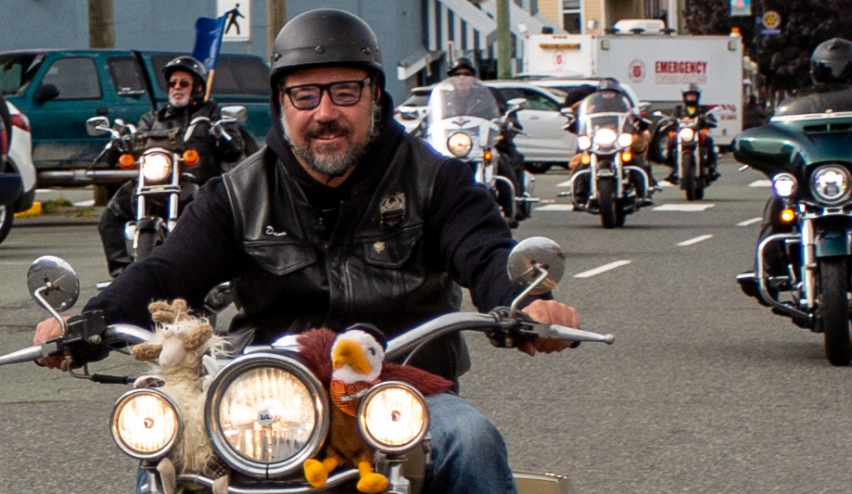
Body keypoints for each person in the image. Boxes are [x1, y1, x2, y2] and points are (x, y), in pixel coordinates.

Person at [33, 9, 579, 494]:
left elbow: (485, 252)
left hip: (402, 387)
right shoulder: (237, 193)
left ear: (375, 98)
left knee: (472, 440)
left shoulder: (437, 181)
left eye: (344, 92)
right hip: (263, 392)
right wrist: (88, 324)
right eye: (305, 95)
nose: (324, 113)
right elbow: (165, 270)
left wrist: (523, 302)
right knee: (164, 447)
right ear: (280, 103)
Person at [739, 38, 852, 303]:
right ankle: (765, 272)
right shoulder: (800, 105)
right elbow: (777, 132)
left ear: (814, 68)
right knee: (780, 204)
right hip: (811, 188)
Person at [97, 56, 244, 278]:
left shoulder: (211, 114)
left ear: (198, 87)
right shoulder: (154, 117)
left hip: (198, 181)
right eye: (173, 83)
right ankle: (122, 275)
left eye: (183, 83)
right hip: (154, 180)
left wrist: (221, 134)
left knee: (228, 217)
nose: (177, 88)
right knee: (110, 216)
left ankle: (224, 272)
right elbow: (137, 140)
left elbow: (234, 151)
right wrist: (121, 142)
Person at [446, 57, 529, 213]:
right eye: (457, 75)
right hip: (456, 147)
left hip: (485, 144)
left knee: (503, 159)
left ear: (474, 78)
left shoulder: (489, 96)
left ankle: (512, 204)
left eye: (466, 74)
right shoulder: (446, 101)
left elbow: (503, 114)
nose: (462, 78)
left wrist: (508, 123)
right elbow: (433, 120)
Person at [665, 82, 718, 183]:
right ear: (684, 96)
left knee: (709, 141)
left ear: (697, 96)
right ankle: (672, 168)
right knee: (671, 142)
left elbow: (712, 119)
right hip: (683, 134)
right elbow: (672, 119)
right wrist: (671, 122)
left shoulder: (703, 109)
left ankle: (711, 167)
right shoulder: (679, 109)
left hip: (698, 133)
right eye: (689, 95)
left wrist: (708, 120)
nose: (691, 98)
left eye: (693, 95)